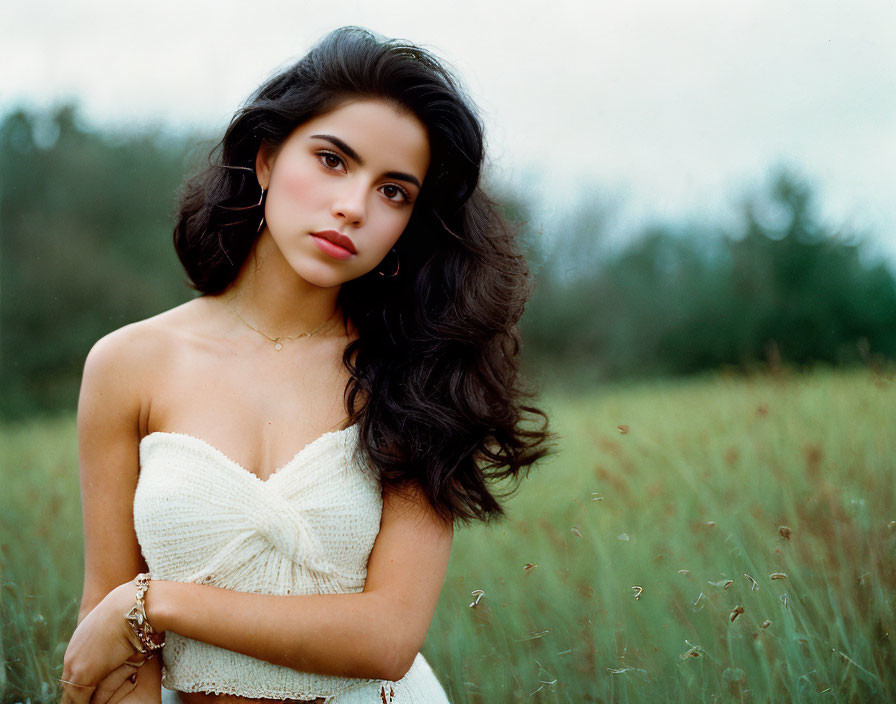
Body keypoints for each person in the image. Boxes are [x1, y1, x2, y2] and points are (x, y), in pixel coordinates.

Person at [61, 26, 550, 704]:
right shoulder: (129, 364)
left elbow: (387, 638)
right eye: (332, 160)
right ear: (265, 159)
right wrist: (126, 613)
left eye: (394, 192)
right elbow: (106, 632)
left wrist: (154, 604)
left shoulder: (420, 375)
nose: (353, 206)